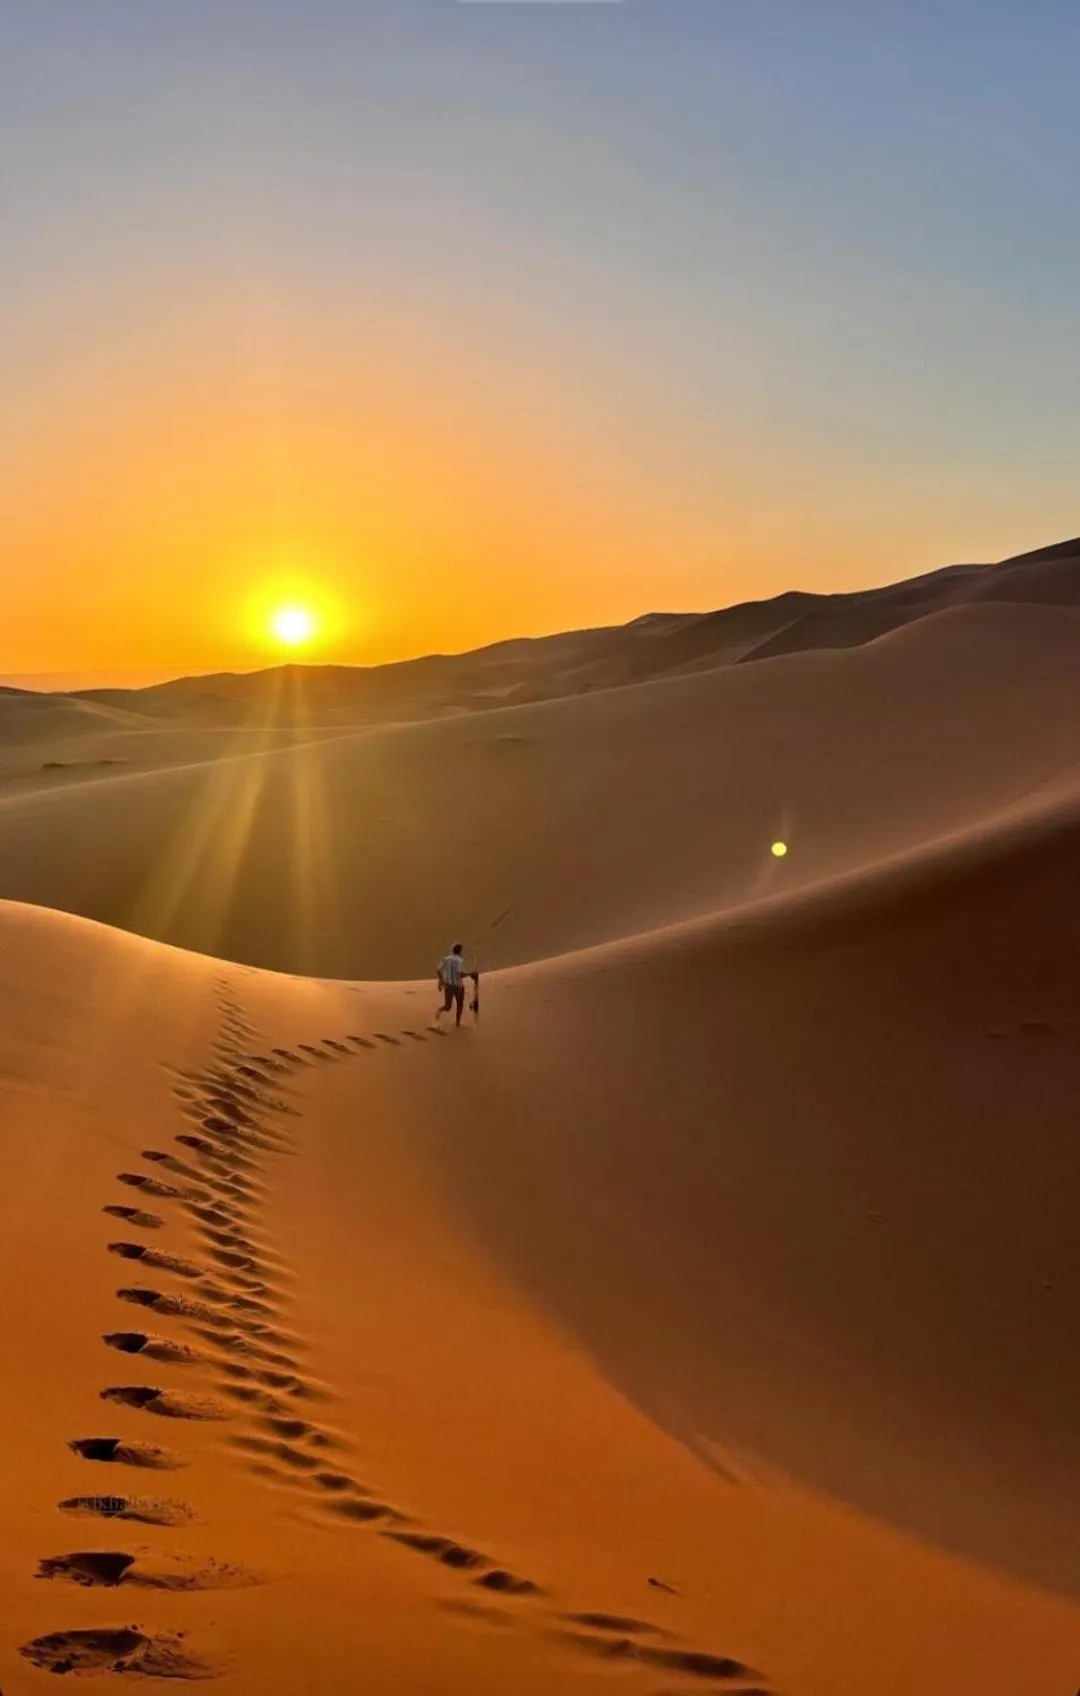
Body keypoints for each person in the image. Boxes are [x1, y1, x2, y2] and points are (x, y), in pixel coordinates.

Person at [436, 942, 468, 1027]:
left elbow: (438, 970)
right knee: (460, 1005)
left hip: (448, 985)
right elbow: (460, 974)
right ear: (460, 950)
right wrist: (471, 974)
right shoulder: (460, 960)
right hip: (458, 986)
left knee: (447, 1006)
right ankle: (457, 1023)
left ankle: (438, 1011)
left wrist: (441, 981)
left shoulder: (446, 959)